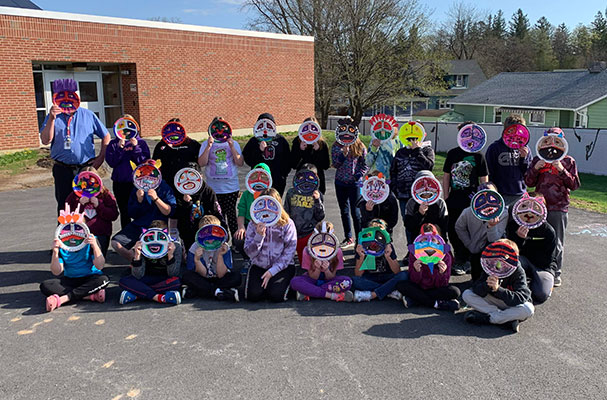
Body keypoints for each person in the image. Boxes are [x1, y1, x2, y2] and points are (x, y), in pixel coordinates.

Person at [39, 78, 110, 215]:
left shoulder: (88, 115)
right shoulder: (52, 117)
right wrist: (52, 119)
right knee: (64, 204)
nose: (66, 100)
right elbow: (46, 140)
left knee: (88, 203)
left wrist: (101, 158)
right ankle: (65, 234)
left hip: (85, 168)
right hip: (62, 169)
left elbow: (106, 136)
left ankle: (88, 234)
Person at [524, 127, 580, 287]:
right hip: (538, 207)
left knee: (557, 241)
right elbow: (528, 182)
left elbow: (575, 185)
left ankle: (555, 272)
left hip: (559, 207)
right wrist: (535, 169)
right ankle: (536, 269)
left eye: (556, 141)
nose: (552, 145)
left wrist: (562, 170)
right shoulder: (537, 159)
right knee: (534, 237)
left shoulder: (568, 161)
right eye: (547, 141)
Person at [442, 121, 489, 275]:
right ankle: (459, 257)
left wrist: (484, 199)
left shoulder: (479, 155)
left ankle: (467, 260)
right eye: (465, 133)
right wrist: (446, 196)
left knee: (471, 231)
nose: (469, 136)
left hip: (473, 201)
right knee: (453, 229)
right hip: (455, 199)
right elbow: (446, 176)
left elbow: (484, 179)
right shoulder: (453, 153)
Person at [462, 239, 534, 333]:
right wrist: (487, 285)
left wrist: (498, 289)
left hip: (511, 304)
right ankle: (505, 319)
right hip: (493, 302)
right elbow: (476, 289)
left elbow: (522, 297)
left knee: (528, 309)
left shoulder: (518, 271)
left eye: (505, 256)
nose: (500, 260)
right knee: (467, 294)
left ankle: (489, 319)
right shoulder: (490, 267)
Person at [110, 160, 176, 262]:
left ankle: (157, 263)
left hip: (160, 226)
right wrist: (139, 200)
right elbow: (132, 214)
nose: (147, 179)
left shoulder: (165, 188)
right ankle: (137, 262)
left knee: (163, 250)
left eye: (151, 175)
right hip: (140, 225)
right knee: (116, 243)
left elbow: (169, 212)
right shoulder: (137, 189)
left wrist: (156, 199)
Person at [243, 188, 297, 302]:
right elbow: (249, 252)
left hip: (282, 266)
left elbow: (289, 252)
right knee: (253, 295)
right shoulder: (254, 224)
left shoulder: (287, 224)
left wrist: (272, 272)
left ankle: (289, 286)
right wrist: (259, 236)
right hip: (260, 265)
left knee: (276, 295)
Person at [506, 194, 558, 304]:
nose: (530, 213)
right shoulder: (513, 225)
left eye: (536, 208)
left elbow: (547, 261)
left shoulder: (548, 231)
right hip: (522, 260)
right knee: (512, 262)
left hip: (542, 266)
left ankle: (536, 283)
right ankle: (517, 285)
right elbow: (510, 253)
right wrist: (519, 239)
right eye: (525, 206)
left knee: (541, 294)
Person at [396, 224, 460, 311]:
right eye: (425, 239)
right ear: (419, 240)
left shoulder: (445, 256)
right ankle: (436, 303)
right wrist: (416, 270)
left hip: (435, 289)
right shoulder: (415, 254)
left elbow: (443, 284)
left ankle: (416, 300)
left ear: (439, 241)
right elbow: (414, 280)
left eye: (433, 240)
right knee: (401, 285)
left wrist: (441, 273)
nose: (429, 243)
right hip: (420, 286)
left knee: (455, 291)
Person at [198, 117, 244, 236]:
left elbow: (240, 162)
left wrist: (232, 146)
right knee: (218, 216)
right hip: (214, 188)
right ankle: (221, 239)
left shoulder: (234, 143)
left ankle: (235, 241)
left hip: (230, 187)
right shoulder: (206, 144)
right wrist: (208, 146)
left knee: (231, 215)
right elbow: (201, 163)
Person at [118, 220, 182, 305]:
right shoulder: (143, 244)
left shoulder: (176, 246)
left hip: (164, 278)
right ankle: (159, 297)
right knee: (124, 280)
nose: (155, 241)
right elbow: (138, 275)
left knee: (177, 282)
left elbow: (173, 273)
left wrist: (170, 255)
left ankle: (138, 293)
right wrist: (137, 255)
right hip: (146, 277)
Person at [41, 233, 109, 312]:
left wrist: (95, 246)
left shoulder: (91, 240)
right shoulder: (61, 243)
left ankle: (64, 299)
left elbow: (100, 266)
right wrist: (55, 252)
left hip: (90, 278)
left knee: (103, 280)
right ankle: (88, 296)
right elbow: (56, 271)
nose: (73, 232)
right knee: (46, 285)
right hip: (70, 279)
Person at [455, 183, 508, 282]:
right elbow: (459, 227)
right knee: (476, 278)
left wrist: (491, 226)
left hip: (492, 248)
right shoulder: (468, 212)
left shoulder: (503, 214)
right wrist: (469, 244)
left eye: (491, 196)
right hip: (474, 246)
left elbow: (494, 240)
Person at [105, 114, 150, 229]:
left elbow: (144, 162)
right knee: (124, 211)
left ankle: (140, 236)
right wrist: (120, 148)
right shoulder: (113, 144)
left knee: (139, 209)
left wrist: (136, 148)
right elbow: (111, 162)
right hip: (120, 183)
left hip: (137, 183)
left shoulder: (141, 143)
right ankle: (126, 237)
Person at [181, 215, 242, 302]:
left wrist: (220, 255)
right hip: (203, 278)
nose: (210, 238)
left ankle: (199, 291)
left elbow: (221, 274)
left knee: (236, 277)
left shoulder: (223, 246)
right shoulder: (195, 247)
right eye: (205, 234)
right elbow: (203, 274)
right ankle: (219, 292)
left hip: (219, 278)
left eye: (214, 233)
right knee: (187, 277)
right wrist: (197, 260)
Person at [389, 129, 435, 243]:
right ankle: (411, 250)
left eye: (415, 138)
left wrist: (418, 151)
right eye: (409, 139)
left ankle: (424, 247)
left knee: (423, 222)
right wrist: (395, 188)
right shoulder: (400, 152)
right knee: (408, 224)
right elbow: (393, 171)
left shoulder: (427, 151)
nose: (412, 141)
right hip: (403, 194)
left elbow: (429, 166)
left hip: (422, 195)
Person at [290, 221, 353, 301]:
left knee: (347, 282)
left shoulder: (337, 251)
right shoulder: (307, 250)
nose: (323, 242)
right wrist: (317, 268)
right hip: (313, 280)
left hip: (329, 281)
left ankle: (310, 292)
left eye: (328, 238)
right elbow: (313, 277)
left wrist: (326, 270)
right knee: (295, 281)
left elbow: (331, 277)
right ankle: (332, 295)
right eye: (319, 238)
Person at [331, 117, 368, 247]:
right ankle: (349, 237)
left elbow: (365, 164)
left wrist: (359, 175)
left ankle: (359, 239)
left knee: (356, 212)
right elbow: (335, 164)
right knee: (344, 211)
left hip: (355, 184)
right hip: (340, 183)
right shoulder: (336, 146)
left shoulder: (360, 146)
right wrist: (343, 154)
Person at [65, 167, 119, 256]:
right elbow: (66, 216)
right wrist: (80, 205)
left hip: (101, 234)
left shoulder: (105, 194)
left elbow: (113, 215)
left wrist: (99, 205)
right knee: (81, 260)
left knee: (98, 258)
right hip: (79, 234)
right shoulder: (73, 196)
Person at [352, 219, 408, 302]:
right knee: (354, 280)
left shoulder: (388, 246)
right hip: (371, 277)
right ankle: (389, 291)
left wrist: (388, 257)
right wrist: (361, 257)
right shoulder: (364, 246)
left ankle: (372, 294)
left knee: (404, 275)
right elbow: (358, 274)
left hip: (387, 276)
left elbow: (397, 271)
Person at [174, 162, 225, 250]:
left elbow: (217, 212)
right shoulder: (180, 192)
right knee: (191, 257)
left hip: (206, 230)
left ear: (200, 176)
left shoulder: (208, 191)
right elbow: (178, 216)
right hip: (188, 231)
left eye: (193, 177)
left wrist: (224, 234)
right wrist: (186, 204)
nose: (189, 181)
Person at [485, 114, 531, 207]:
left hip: (520, 194)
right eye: (512, 131)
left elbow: (528, 174)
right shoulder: (495, 148)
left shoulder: (525, 149)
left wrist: (523, 158)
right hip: (501, 194)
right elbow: (488, 173)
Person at [283, 164, 325, 264]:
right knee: (290, 262)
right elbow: (286, 212)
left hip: (309, 234)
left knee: (308, 264)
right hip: (293, 233)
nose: (306, 180)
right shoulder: (291, 193)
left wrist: (317, 200)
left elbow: (320, 216)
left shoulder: (317, 194)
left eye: (311, 177)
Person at [242, 113, 292, 196]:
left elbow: (288, 158)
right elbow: (248, 159)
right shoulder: (253, 141)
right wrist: (259, 151)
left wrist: (283, 174)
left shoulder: (280, 139)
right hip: (259, 180)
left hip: (277, 179)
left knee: (276, 203)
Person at [234, 162, 271, 273]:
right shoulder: (246, 194)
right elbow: (241, 212)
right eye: (255, 176)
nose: (259, 180)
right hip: (248, 224)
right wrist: (241, 227)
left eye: (263, 177)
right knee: (239, 238)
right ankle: (247, 259)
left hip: (267, 225)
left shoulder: (271, 193)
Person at [404, 170, 449, 243]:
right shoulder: (411, 203)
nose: (426, 187)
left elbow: (445, 226)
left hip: (437, 242)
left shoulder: (440, 202)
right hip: (417, 242)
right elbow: (409, 226)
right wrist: (419, 214)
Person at [290, 117, 331, 194]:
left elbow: (326, 166)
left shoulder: (322, 144)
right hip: (300, 181)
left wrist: (318, 151)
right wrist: (300, 150)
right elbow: (293, 165)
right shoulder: (297, 142)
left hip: (317, 183)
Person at [356, 171, 399, 236]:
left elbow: (393, 220)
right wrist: (368, 211)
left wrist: (383, 227)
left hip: (386, 231)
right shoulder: (364, 200)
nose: (376, 190)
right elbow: (363, 222)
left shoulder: (390, 199)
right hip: (368, 232)